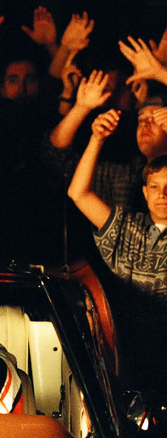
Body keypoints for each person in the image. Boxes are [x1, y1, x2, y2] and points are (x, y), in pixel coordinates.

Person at [67, 102, 167, 394]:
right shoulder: (128, 227)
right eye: (156, 187)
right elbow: (78, 193)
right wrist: (96, 138)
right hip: (128, 353)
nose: (164, 195)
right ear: (145, 192)